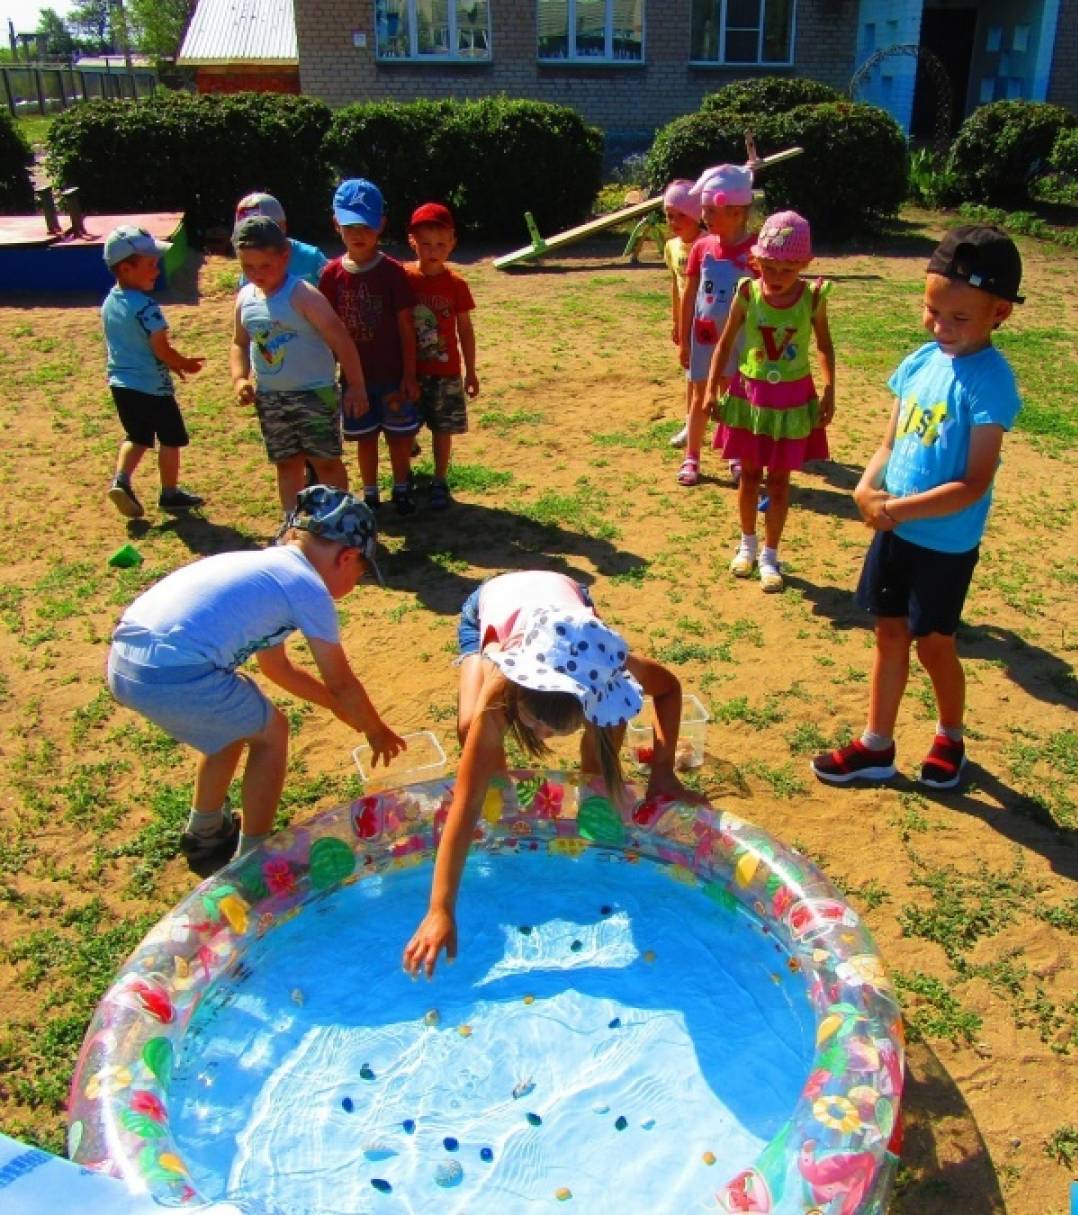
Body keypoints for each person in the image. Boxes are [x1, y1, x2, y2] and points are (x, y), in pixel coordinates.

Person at [813, 224, 1025, 790]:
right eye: (932, 311)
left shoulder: (990, 383)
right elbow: (890, 442)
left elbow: (974, 482)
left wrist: (900, 510)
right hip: (895, 528)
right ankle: (876, 745)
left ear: (998, 313)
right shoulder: (919, 362)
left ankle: (950, 735)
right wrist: (865, 486)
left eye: (959, 318)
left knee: (934, 645)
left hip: (944, 542)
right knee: (887, 635)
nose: (941, 326)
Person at [402, 569, 693, 977]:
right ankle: (502, 800)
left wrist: (662, 770)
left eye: (555, 730)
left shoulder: (607, 666)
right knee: (473, 728)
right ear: (519, 690)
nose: (541, 736)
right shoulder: (502, 685)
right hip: (491, 608)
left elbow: (669, 688)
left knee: (602, 749)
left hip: (569, 614)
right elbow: (464, 804)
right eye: (535, 724)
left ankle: (595, 823)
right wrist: (439, 908)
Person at [107, 486, 406, 873]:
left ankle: (206, 832)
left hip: (126, 663)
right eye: (361, 573)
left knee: (229, 730)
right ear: (347, 557)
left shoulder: (270, 570)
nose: (356, 583)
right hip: (176, 674)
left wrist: (337, 708)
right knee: (271, 732)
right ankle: (255, 855)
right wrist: (375, 730)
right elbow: (342, 683)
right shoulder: (307, 587)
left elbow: (277, 668)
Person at [708, 211, 835, 593]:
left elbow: (825, 347)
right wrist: (712, 389)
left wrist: (830, 389)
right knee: (747, 474)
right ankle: (746, 545)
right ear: (756, 262)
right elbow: (726, 342)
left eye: (787, 269)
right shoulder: (748, 293)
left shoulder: (813, 298)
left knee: (780, 481)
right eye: (770, 267)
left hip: (793, 398)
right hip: (750, 395)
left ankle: (770, 555)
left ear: (804, 266)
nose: (777, 277)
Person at [230, 216, 359, 522]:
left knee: (325, 462)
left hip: (314, 394)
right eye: (248, 267)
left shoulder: (303, 295)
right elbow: (239, 342)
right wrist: (239, 378)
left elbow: (340, 338)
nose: (257, 274)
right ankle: (292, 524)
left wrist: (357, 385)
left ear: (284, 256)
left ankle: (336, 523)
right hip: (271, 397)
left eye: (265, 265)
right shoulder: (245, 298)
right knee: (287, 463)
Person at [320, 178, 421, 515]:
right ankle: (371, 493)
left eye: (366, 225)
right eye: (350, 225)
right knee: (364, 438)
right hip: (354, 379)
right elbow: (327, 331)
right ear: (337, 225)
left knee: (399, 436)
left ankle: (402, 487)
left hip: (393, 375)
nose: (358, 233)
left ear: (381, 225)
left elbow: (407, 326)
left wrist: (410, 374)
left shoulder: (394, 273)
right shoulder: (331, 275)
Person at [101, 225, 205, 519]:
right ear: (126, 267)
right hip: (153, 388)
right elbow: (160, 347)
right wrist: (181, 362)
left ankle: (121, 480)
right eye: (150, 265)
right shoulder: (146, 307)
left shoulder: (110, 301)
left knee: (137, 436)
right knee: (171, 439)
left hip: (121, 385)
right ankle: (170, 493)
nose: (156, 270)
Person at [676, 163, 757, 488]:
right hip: (705, 337)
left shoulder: (756, 253)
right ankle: (692, 457)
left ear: (737, 212)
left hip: (739, 341)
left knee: (734, 397)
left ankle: (734, 454)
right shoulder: (700, 247)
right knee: (699, 397)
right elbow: (690, 294)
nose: (704, 217)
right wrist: (684, 338)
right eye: (704, 210)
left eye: (711, 210)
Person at [402, 202, 479, 511]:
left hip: (446, 371)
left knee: (443, 428)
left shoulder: (457, 284)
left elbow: (465, 330)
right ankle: (402, 476)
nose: (433, 251)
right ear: (412, 242)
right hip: (409, 369)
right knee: (403, 427)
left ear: (452, 243)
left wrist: (470, 371)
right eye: (425, 244)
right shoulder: (403, 277)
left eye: (440, 244)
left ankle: (439, 479)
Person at [661, 179, 702, 449]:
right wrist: (677, 321)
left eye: (682, 216)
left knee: (724, 377)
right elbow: (676, 286)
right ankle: (691, 424)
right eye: (669, 216)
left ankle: (727, 427)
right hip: (690, 324)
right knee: (692, 375)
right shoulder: (672, 247)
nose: (675, 222)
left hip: (714, 320)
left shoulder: (709, 244)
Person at [233, 191, 329, 287]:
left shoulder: (311, 258)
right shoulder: (251, 266)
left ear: (283, 226)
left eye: (263, 232)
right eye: (246, 235)